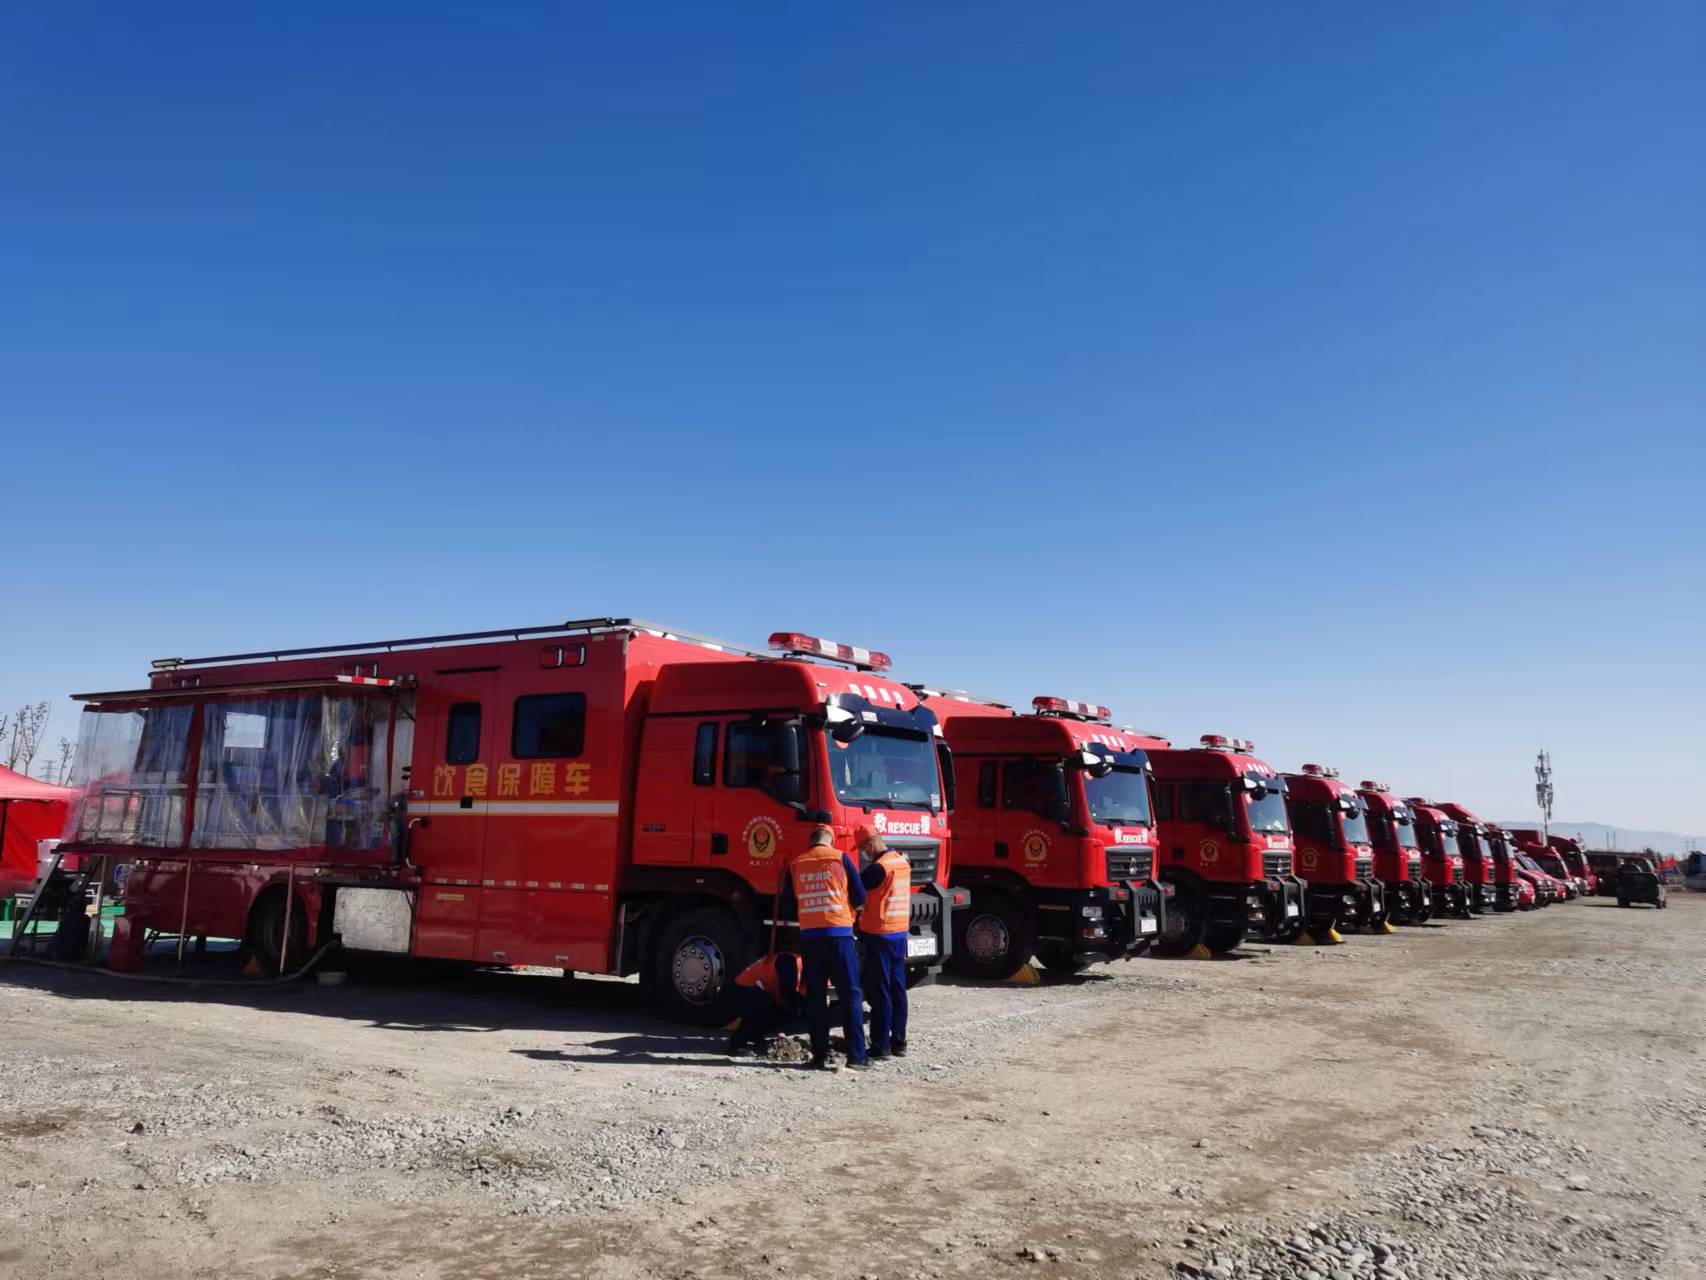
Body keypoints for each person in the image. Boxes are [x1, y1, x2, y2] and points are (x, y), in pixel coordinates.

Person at [779, 824, 868, 1069]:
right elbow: (860, 896)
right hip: (840, 936)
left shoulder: (796, 864)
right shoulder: (840, 857)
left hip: (810, 939)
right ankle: (857, 1057)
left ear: (811, 841)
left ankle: (819, 1056)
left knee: (816, 998)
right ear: (830, 840)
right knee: (850, 995)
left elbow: (787, 908)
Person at [855, 823, 911, 1059]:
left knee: (880, 993)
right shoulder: (901, 862)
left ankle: (880, 1045)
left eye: (862, 848)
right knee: (898, 991)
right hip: (899, 934)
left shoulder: (877, 869)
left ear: (870, 843)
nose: (863, 853)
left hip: (879, 936)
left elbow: (854, 890)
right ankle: (899, 1042)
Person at [728, 951, 802, 1054]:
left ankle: (756, 1037)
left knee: (774, 1008)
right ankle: (738, 1043)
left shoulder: (798, 964)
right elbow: (788, 993)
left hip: (749, 991)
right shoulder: (790, 962)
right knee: (762, 1002)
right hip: (742, 991)